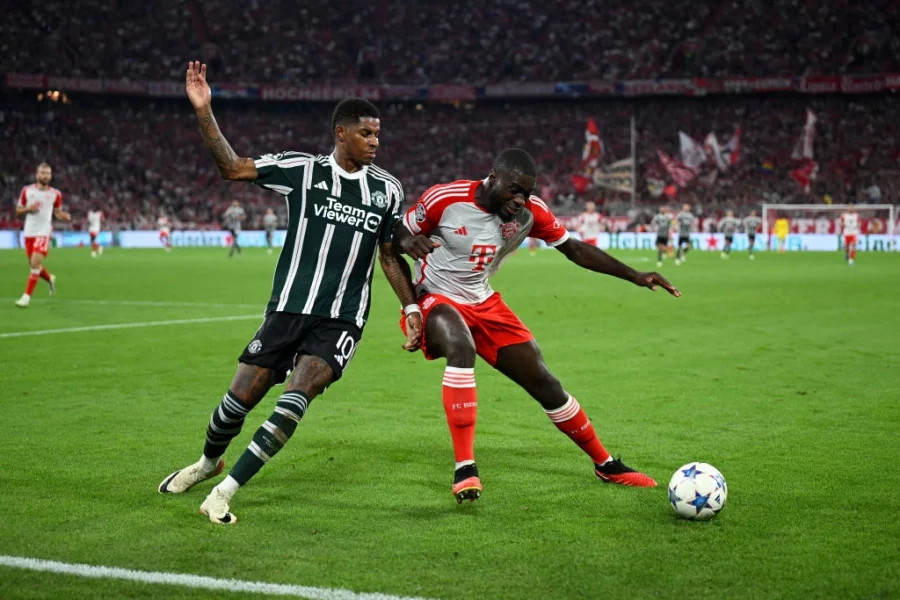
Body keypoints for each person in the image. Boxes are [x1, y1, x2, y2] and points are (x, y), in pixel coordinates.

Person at [158, 61, 423, 525]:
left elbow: (387, 255)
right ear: (341, 133)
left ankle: (224, 491)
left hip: (341, 319)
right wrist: (204, 110)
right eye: (366, 133)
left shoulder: (387, 190)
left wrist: (411, 306)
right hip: (287, 310)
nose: (375, 142)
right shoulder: (301, 170)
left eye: (378, 134)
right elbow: (232, 167)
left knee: (297, 396)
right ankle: (206, 464)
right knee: (237, 401)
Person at [395, 149, 680, 503]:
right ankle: (465, 467)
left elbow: (574, 249)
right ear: (493, 178)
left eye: (527, 194)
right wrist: (409, 293)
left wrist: (635, 275)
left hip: (484, 302)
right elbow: (395, 237)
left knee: (544, 382)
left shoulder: (531, 213)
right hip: (435, 297)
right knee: (461, 346)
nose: (520, 200)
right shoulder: (446, 199)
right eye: (514, 190)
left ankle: (605, 464)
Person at [14, 162, 71, 308]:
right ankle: (50, 278)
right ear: (37, 175)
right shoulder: (27, 191)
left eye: (48, 173)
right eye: (43, 173)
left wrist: (64, 216)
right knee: (35, 265)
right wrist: (29, 209)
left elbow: (57, 212)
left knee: (34, 265)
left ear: (50, 176)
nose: (46, 176)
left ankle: (26, 297)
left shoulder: (55, 194)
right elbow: (18, 211)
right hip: (29, 232)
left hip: (44, 232)